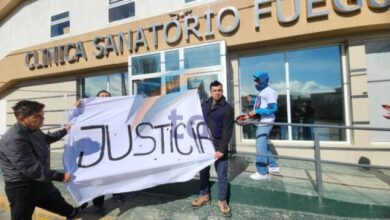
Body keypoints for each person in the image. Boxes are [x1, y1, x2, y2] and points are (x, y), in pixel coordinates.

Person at [0, 100, 87, 220]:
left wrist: (64, 131)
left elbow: (46, 138)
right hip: (21, 186)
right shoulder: (14, 139)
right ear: (21, 119)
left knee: (55, 198)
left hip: (39, 180)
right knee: (21, 216)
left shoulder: (33, 129)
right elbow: (29, 168)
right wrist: (60, 176)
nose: (42, 118)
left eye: (42, 115)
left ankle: (72, 213)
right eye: (37, 116)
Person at [69, 89, 126, 216]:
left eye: (106, 96)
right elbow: (73, 119)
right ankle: (98, 204)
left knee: (115, 174)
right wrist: (75, 108)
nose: (104, 98)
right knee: (98, 178)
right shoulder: (90, 111)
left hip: (113, 149)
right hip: (96, 151)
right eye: (101, 96)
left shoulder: (116, 110)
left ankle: (117, 193)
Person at [191, 81, 234, 217]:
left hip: (219, 146)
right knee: (203, 172)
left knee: (222, 175)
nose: (217, 92)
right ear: (210, 91)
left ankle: (222, 200)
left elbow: (228, 131)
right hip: (204, 145)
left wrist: (221, 150)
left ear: (222, 91)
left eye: (219, 90)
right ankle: (204, 196)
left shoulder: (227, 108)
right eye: (214, 90)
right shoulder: (203, 105)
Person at [247, 71, 280, 180]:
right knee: (263, 145)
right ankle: (273, 165)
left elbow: (272, 108)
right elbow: (261, 104)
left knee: (260, 146)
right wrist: (252, 101)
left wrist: (256, 112)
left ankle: (262, 172)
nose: (255, 83)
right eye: (254, 81)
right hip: (262, 121)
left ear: (262, 80)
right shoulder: (262, 92)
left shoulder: (269, 91)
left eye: (256, 81)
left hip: (265, 122)